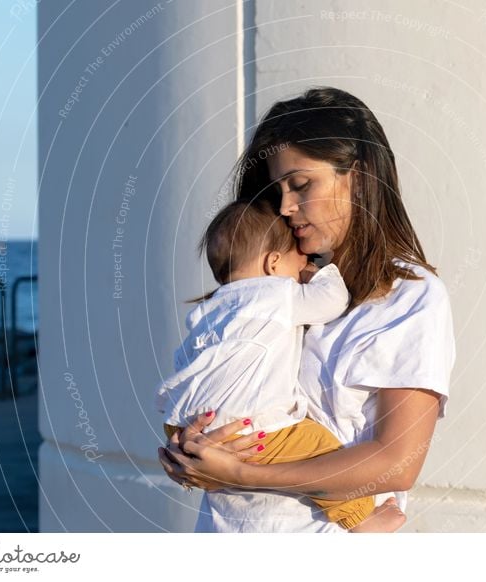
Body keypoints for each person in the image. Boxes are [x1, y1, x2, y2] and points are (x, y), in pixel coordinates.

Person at [158, 85, 456, 533]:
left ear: (358, 177)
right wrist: (191, 451)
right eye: (277, 191)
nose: (285, 207)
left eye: (301, 185)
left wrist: (240, 473)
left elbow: (396, 462)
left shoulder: (410, 298)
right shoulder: (274, 286)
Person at [155, 197, 402, 532]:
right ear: (273, 263)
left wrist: (181, 431)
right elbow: (331, 302)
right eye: (298, 261)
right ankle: (361, 519)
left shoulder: (207, 311)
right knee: (319, 449)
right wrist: (322, 271)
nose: (300, 269)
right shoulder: (274, 294)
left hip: (188, 426)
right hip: (252, 425)